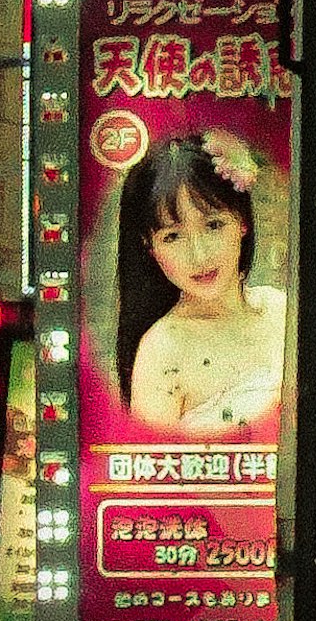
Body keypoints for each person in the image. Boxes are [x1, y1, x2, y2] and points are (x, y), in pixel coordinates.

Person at [114, 128, 288, 432]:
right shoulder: (162, 350)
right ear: (149, 246)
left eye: (213, 224)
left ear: (242, 222)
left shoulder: (282, 311)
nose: (199, 256)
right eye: (172, 236)